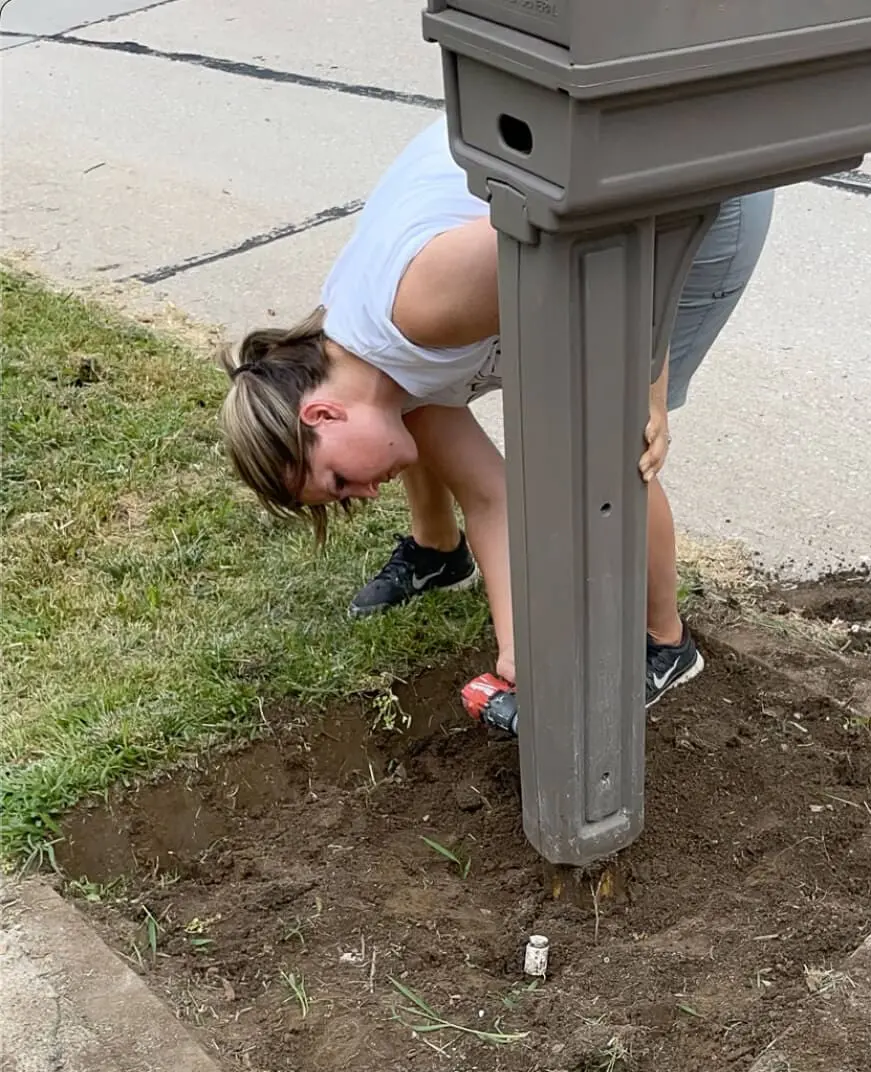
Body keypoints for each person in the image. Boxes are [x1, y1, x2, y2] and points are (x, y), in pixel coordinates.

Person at [220, 118, 773, 728]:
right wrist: (518, 650)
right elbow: (491, 500)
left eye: (341, 481)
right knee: (578, 416)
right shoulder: (377, 374)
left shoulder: (420, 307)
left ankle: (666, 645)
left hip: (689, 195)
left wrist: (645, 385)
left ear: (321, 413)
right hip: (615, 193)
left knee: (612, 443)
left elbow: (611, 236)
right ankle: (444, 556)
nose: (368, 492)